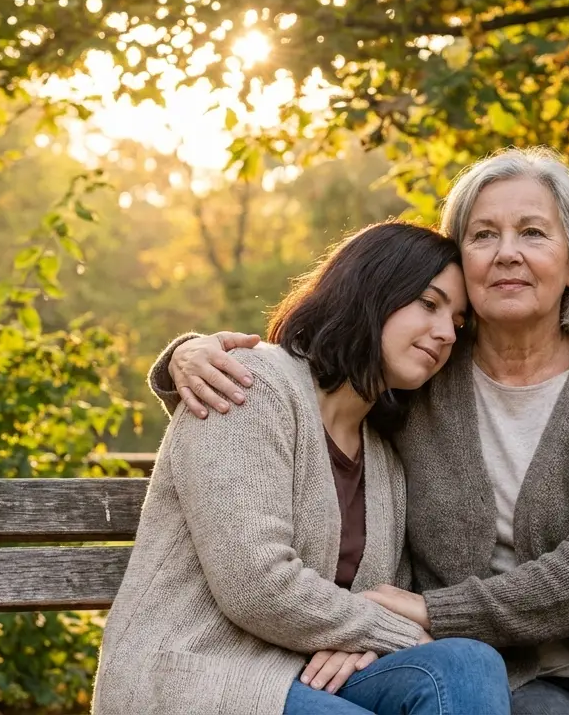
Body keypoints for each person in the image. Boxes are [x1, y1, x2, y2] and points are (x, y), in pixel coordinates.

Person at [151, 148, 569, 715]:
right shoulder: (419, 376)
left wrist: (427, 614)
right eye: (483, 235)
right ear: (463, 262)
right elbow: (310, 373)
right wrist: (186, 354)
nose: (506, 252)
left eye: (532, 233)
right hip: (504, 671)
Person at [92, 221, 511, 715]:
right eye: (428, 302)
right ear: (370, 290)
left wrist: (362, 639)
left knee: (468, 664)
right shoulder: (249, 385)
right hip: (196, 676)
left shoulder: (385, 460)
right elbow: (257, 585)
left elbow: (377, 598)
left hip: (304, 674)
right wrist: (395, 634)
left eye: (458, 323)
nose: (445, 333)